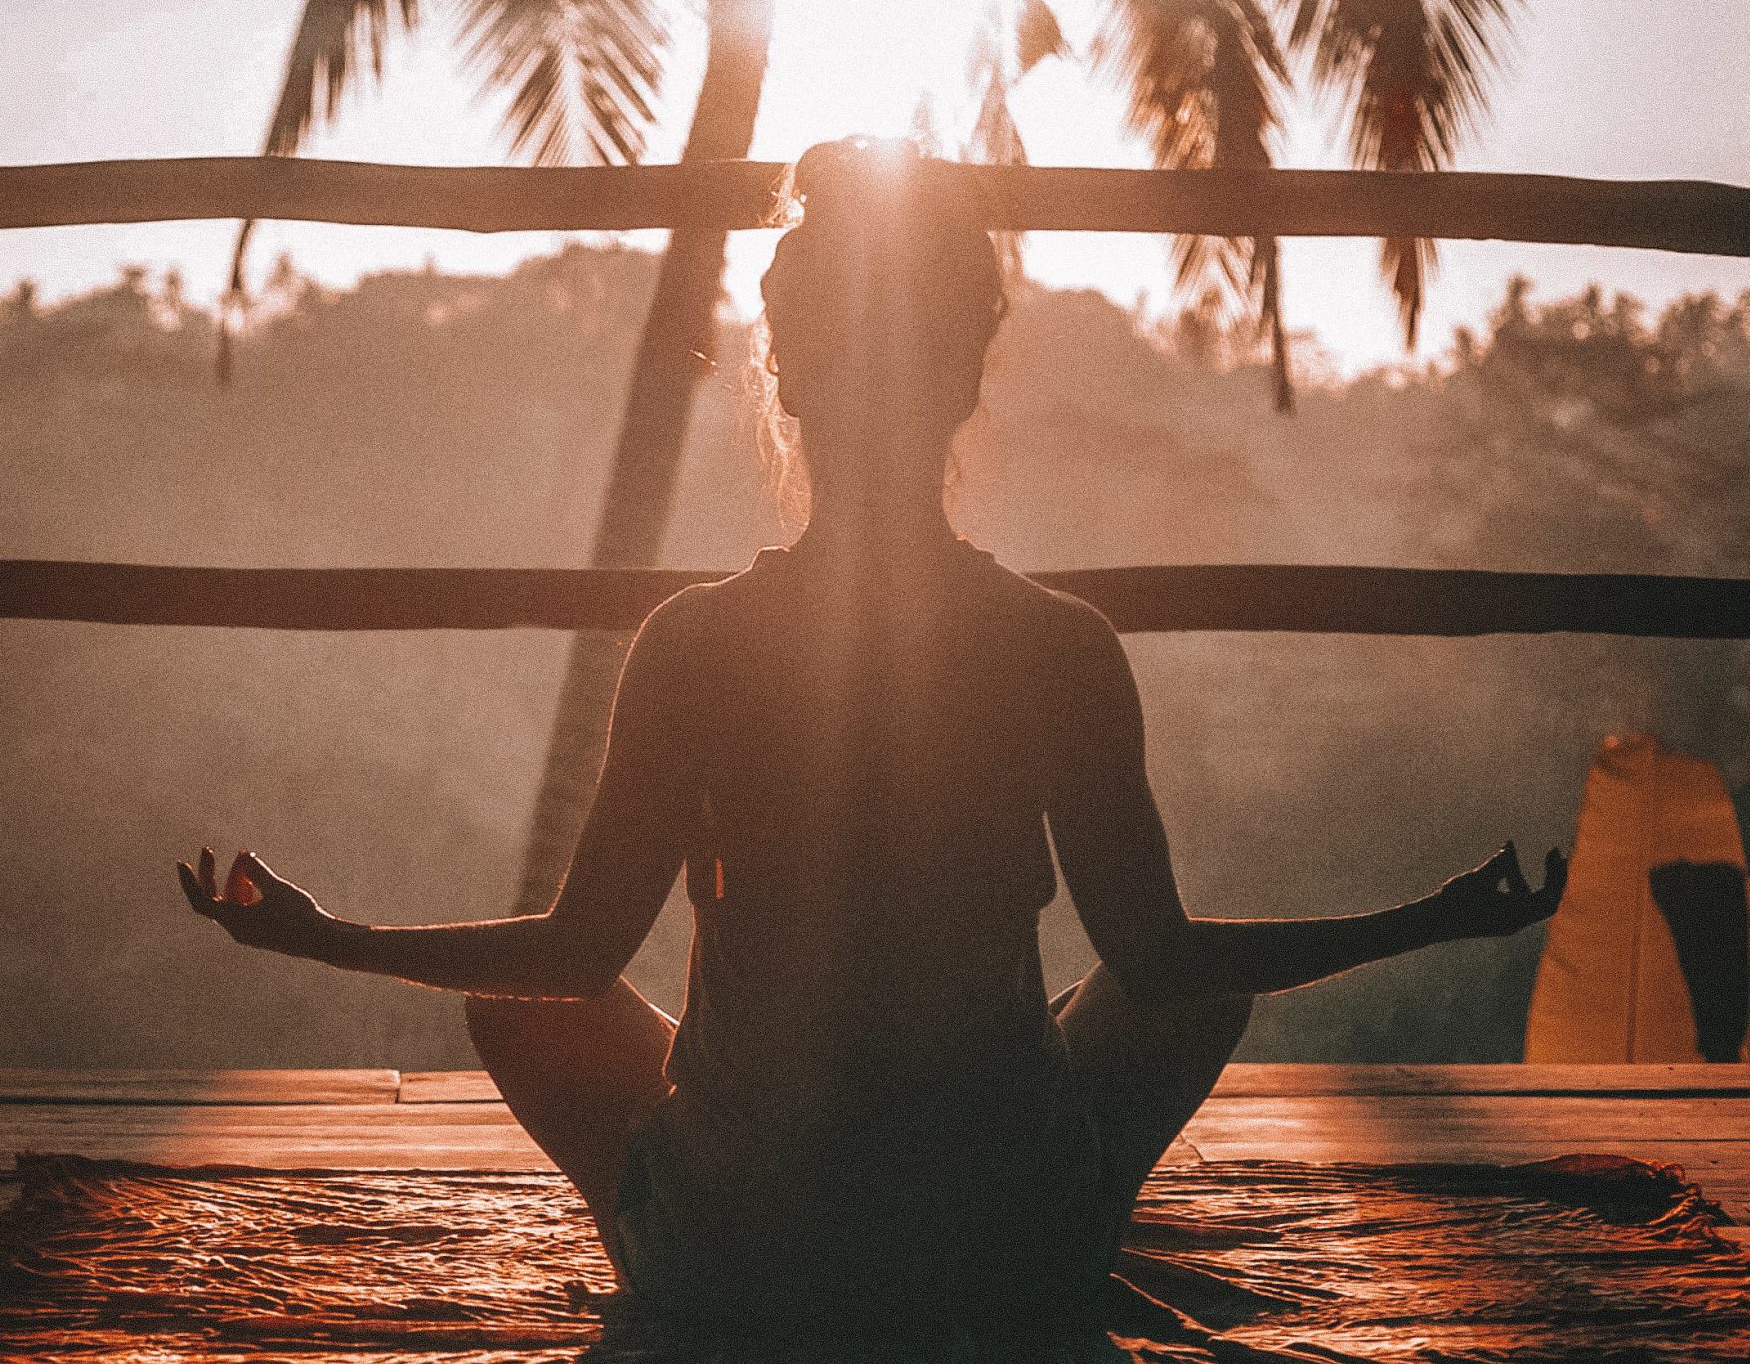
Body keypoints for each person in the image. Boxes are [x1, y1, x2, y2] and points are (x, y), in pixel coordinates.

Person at [178, 137, 1567, 1352]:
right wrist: (1432, 918)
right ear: (965, 380)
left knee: (520, 1007)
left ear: (786, 381)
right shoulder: (1058, 644)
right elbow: (1163, 959)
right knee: (1193, 988)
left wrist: (324, 932)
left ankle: (681, 1259)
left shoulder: (695, 643)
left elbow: (570, 958)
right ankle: (1062, 1238)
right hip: (995, 1243)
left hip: (749, 1258)